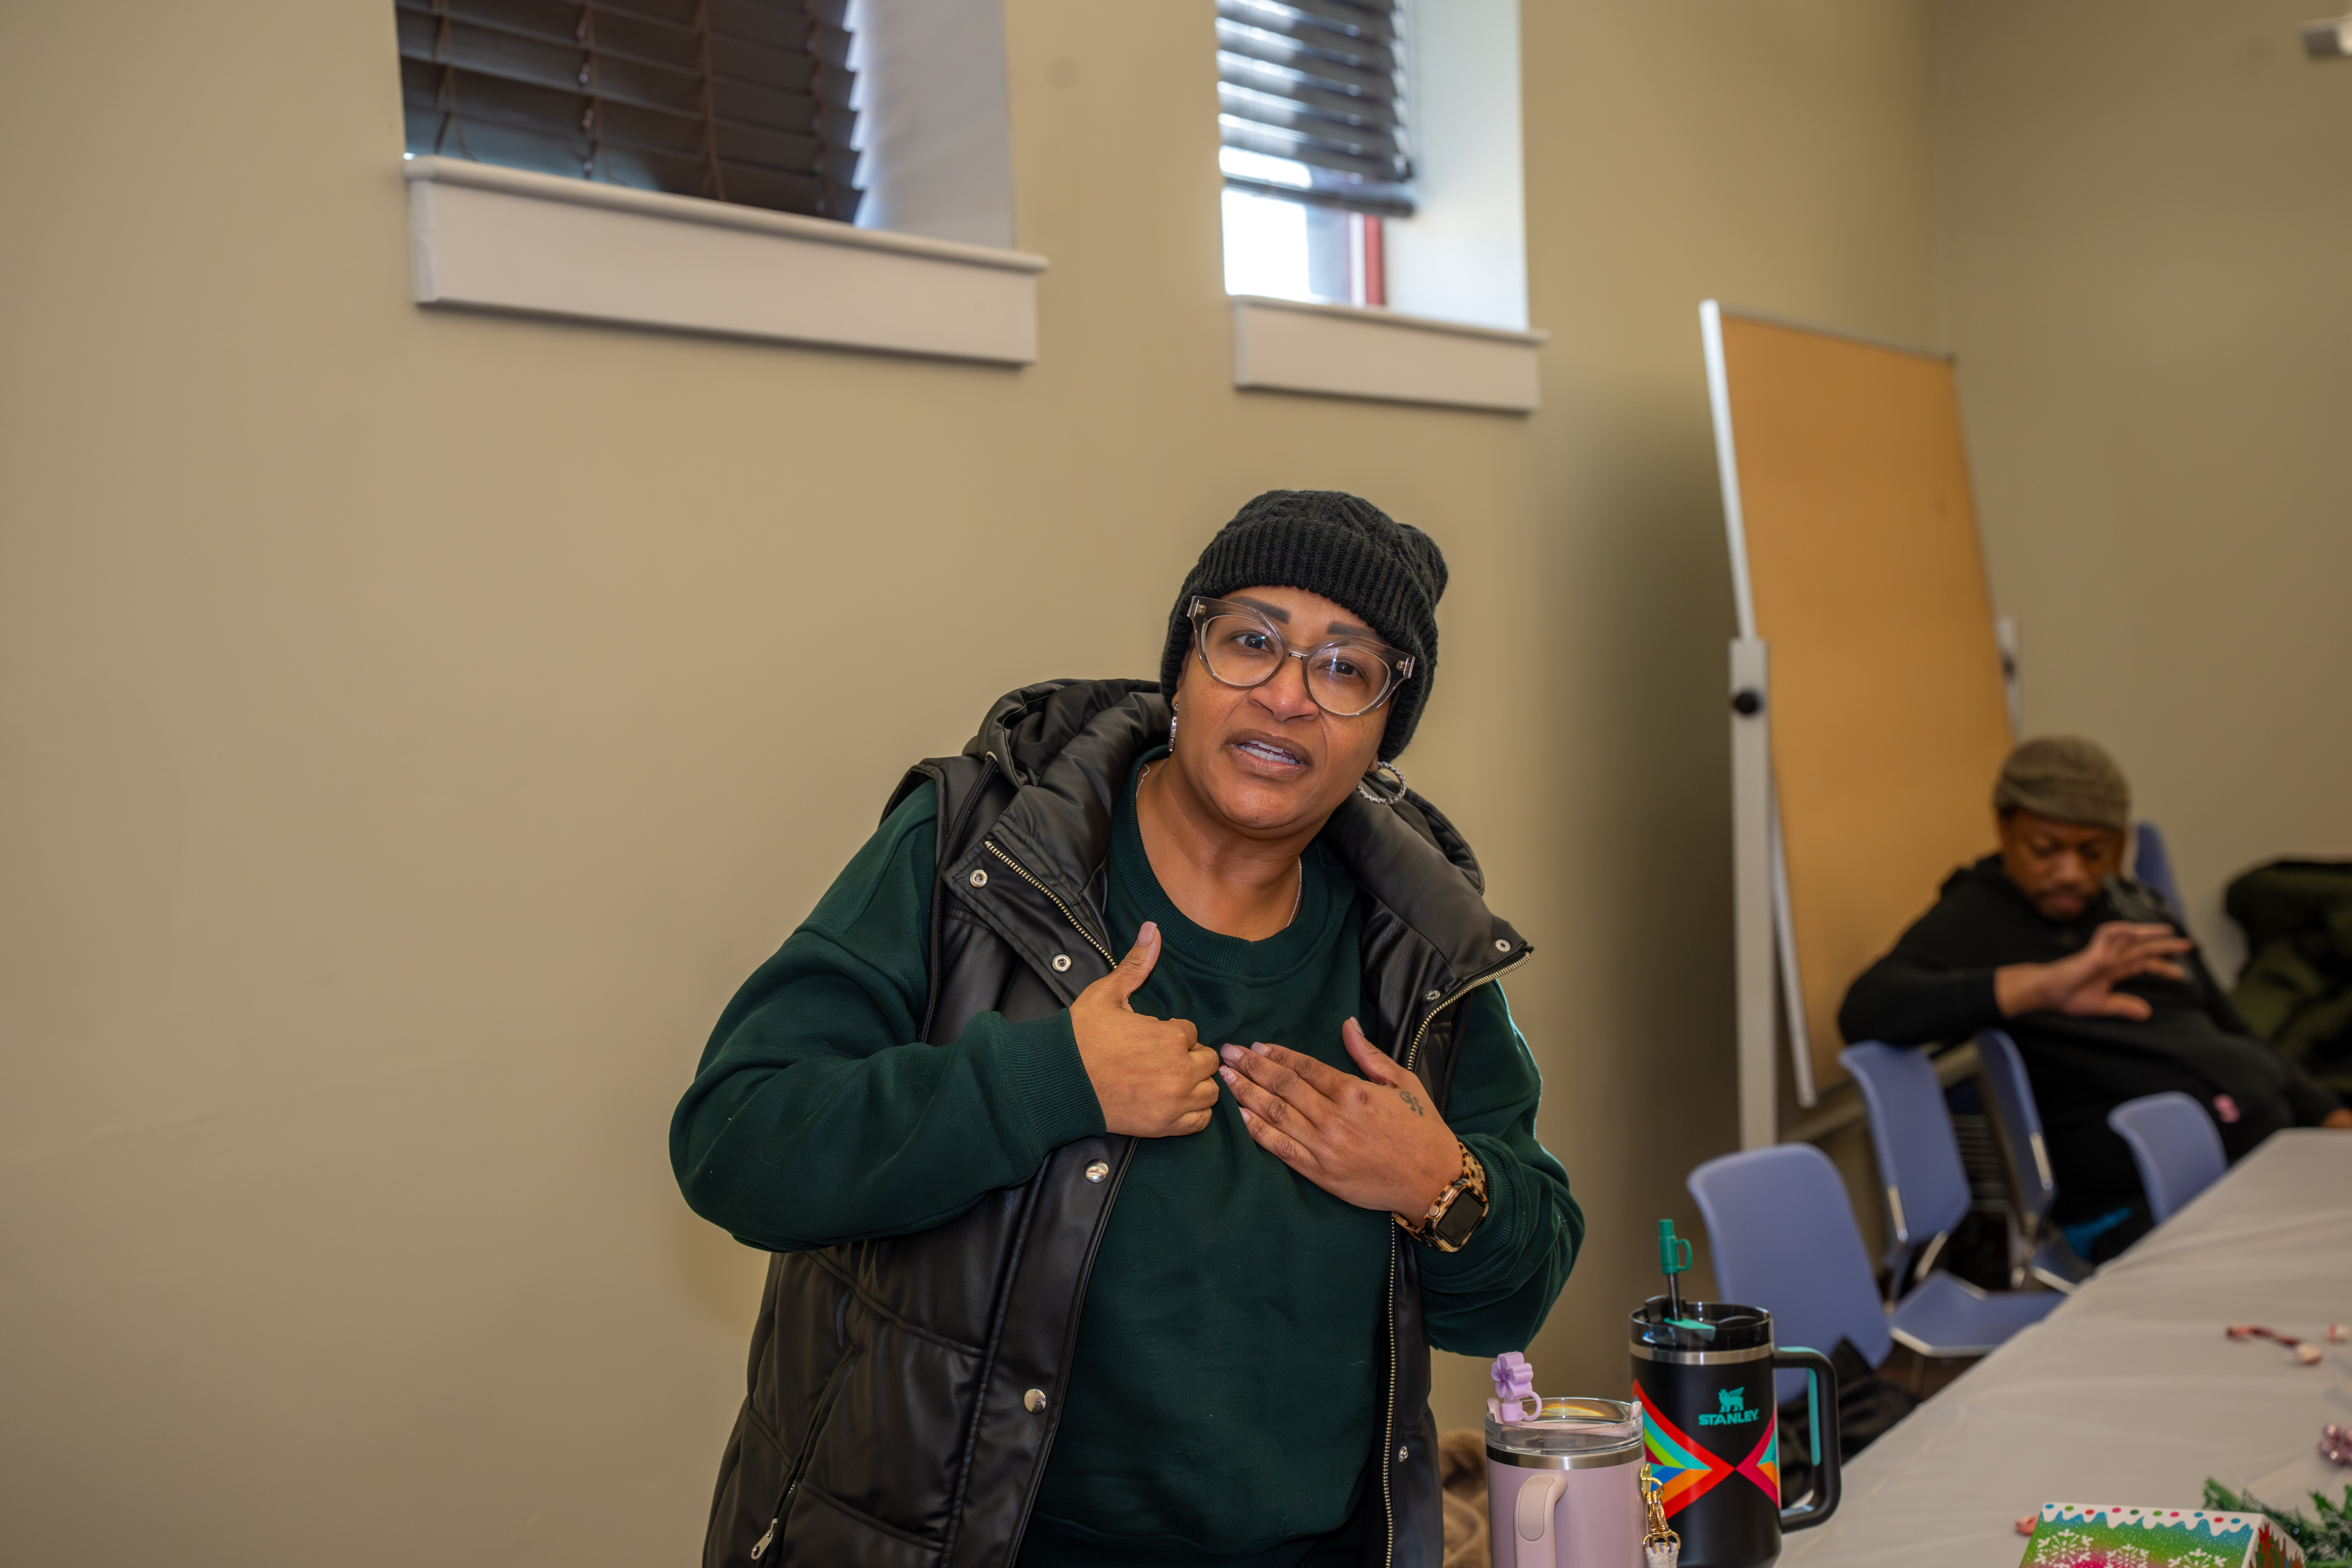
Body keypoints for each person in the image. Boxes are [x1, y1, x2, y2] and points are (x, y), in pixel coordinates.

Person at [671, 491, 1582, 1568]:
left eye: (1344, 669)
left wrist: (1439, 1182)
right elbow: (737, 1141)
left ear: (1385, 727)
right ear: (1183, 666)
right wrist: (1042, 1081)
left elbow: (1513, 1290)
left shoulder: (1425, 952)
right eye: (1249, 641)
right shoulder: (974, 850)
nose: (1287, 695)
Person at [1840, 736, 2350, 1262]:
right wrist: (2043, 985)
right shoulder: (1974, 918)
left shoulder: (2134, 904)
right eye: (2045, 849)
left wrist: (2328, 1113)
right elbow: (1866, 1010)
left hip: (2264, 1154)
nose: (2071, 874)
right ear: (2004, 829)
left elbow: (2230, 1027)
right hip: (2138, 1202)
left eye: (2094, 852)